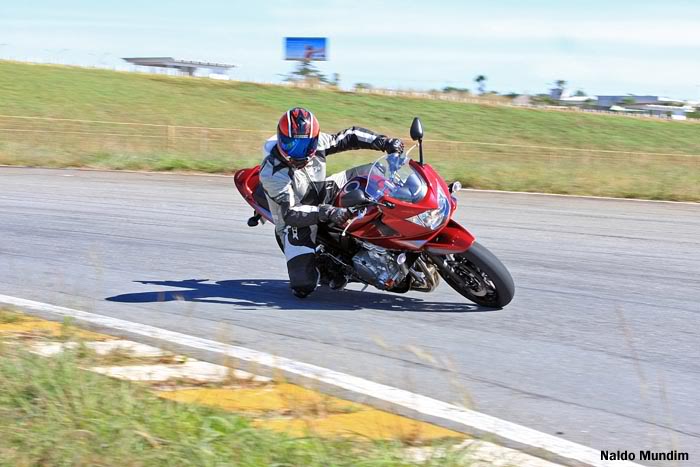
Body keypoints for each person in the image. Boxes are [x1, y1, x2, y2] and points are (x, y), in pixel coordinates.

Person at [260, 107, 404, 298]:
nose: (298, 152)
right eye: (291, 144)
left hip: (323, 190)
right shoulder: (272, 172)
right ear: (281, 138)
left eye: (305, 146)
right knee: (303, 286)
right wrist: (327, 212)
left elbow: (349, 136)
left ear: (314, 140)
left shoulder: (319, 143)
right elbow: (290, 213)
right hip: (296, 219)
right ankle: (329, 266)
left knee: (377, 173)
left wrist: (385, 142)